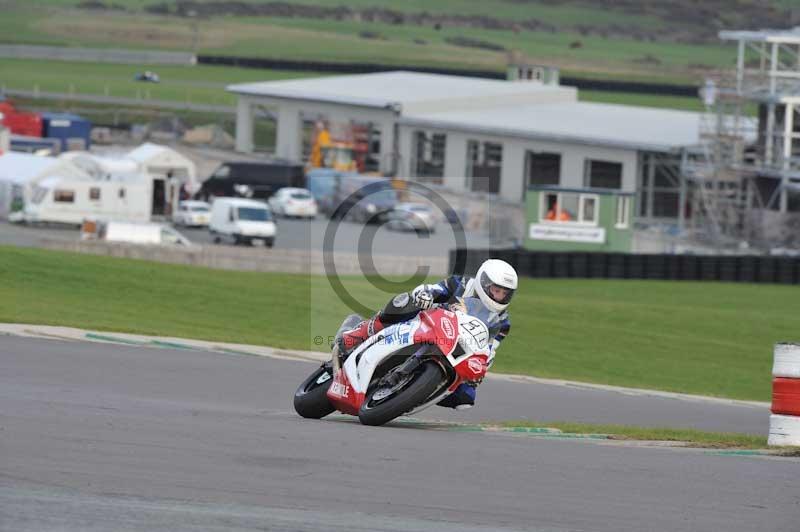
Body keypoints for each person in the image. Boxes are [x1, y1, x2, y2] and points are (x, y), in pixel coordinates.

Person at [338, 259, 517, 410]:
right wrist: (426, 294)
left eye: (504, 293)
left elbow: (489, 349)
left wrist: (481, 369)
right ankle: (356, 334)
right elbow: (435, 289)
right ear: (484, 283)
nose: (499, 296)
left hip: (456, 347)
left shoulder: (502, 322)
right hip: (427, 322)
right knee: (403, 303)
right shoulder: (461, 284)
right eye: (496, 290)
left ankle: (409, 396)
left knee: (465, 397)